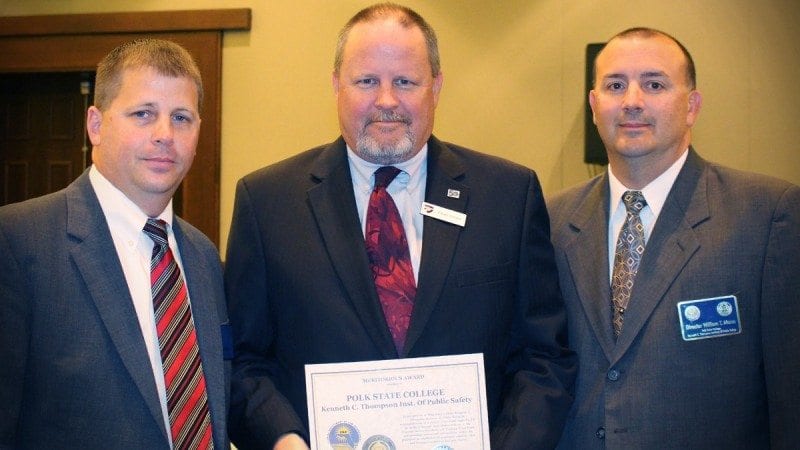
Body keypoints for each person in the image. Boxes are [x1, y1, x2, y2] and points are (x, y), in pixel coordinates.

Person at [224, 3, 576, 450]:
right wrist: (282, 439)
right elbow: (243, 361)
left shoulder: (507, 195)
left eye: (405, 81)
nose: (386, 100)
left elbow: (543, 356)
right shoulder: (268, 201)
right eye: (367, 80)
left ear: (437, 87)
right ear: (336, 85)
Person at [548, 27, 800, 449]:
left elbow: (790, 392)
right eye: (614, 85)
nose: (632, 101)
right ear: (594, 105)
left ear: (692, 106)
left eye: (654, 84)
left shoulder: (767, 215)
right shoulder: (551, 220)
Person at [0, 39, 230, 449]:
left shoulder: (204, 255)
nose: (165, 134)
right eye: (143, 114)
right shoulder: (17, 241)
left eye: (182, 117)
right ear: (96, 125)